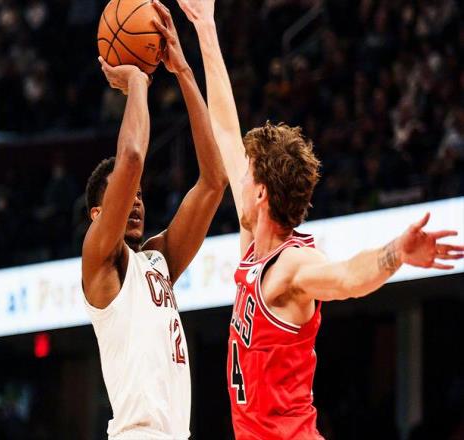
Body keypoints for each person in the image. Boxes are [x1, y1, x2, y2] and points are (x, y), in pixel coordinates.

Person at [175, 0, 464, 438]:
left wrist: (397, 253)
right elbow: (228, 133)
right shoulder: (253, 242)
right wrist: (205, 27)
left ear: (261, 192)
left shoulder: (292, 265)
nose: (239, 176)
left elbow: (348, 278)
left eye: (247, 173)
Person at [81, 2, 227, 439]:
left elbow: (214, 182)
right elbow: (131, 156)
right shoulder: (99, 259)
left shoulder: (158, 261)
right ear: (97, 215)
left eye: (141, 196)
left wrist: (183, 71)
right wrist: (137, 82)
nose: (137, 202)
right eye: (126, 195)